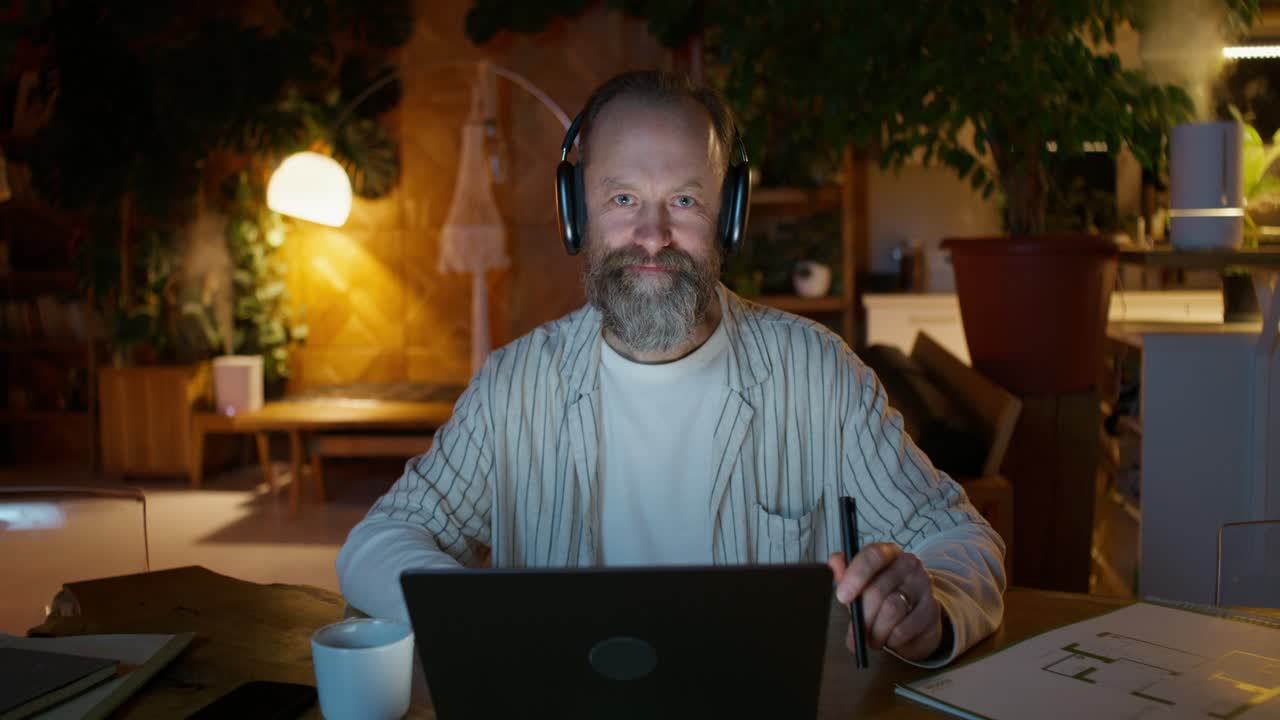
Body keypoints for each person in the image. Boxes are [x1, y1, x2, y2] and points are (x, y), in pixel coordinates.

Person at [337, 70, 1005, 667]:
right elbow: (378, 544)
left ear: (728, 216)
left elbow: (958, 536)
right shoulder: (514, 385)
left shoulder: (819, 375)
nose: (652, 234)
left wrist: (930, 607)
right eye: (622, 198)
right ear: (577, 213)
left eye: (685, 200)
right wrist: (487, 620)